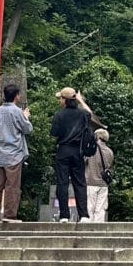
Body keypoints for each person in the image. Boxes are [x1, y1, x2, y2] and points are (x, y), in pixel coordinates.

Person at [50, 87, 100, 223]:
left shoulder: (59, 115)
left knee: (62, 183)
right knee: (80, 183)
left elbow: (54, 133)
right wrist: (80, 100)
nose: (60, 100)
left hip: (63, 150)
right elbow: (91, 114)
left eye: (61, 98)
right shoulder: (82, 114)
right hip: (78, 151)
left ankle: (64, 216)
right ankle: (83, 215)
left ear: (65, 100)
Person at [0, 84, 33, 223]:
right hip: (14, 153)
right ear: (16, 96)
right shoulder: (17, 111)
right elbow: (27, 129)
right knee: (12, 186)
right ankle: (9, 215)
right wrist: (26, 116)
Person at [85, 128, 114, 223]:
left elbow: (83, 162)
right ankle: (98, 229)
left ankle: (88, 230)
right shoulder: (110, 152)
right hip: (104, 184)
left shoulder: (91, 149)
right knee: (101, 209)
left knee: (90, 207)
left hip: (91, 181)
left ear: (97, 137)